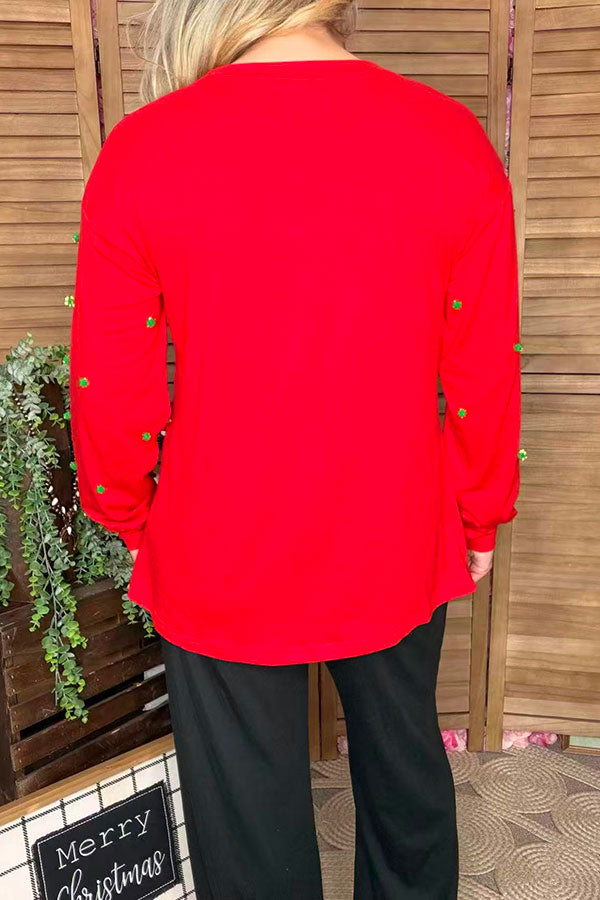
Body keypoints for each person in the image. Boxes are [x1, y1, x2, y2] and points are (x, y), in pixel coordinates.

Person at [68, 1, 522, 897]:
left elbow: (111, 386)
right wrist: (480, 514)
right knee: (405, 777)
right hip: (394, 529)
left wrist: (128, 514)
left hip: (215, 540)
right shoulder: (449, 140)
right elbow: (482, 367)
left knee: (246, 820)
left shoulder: (143, 152)